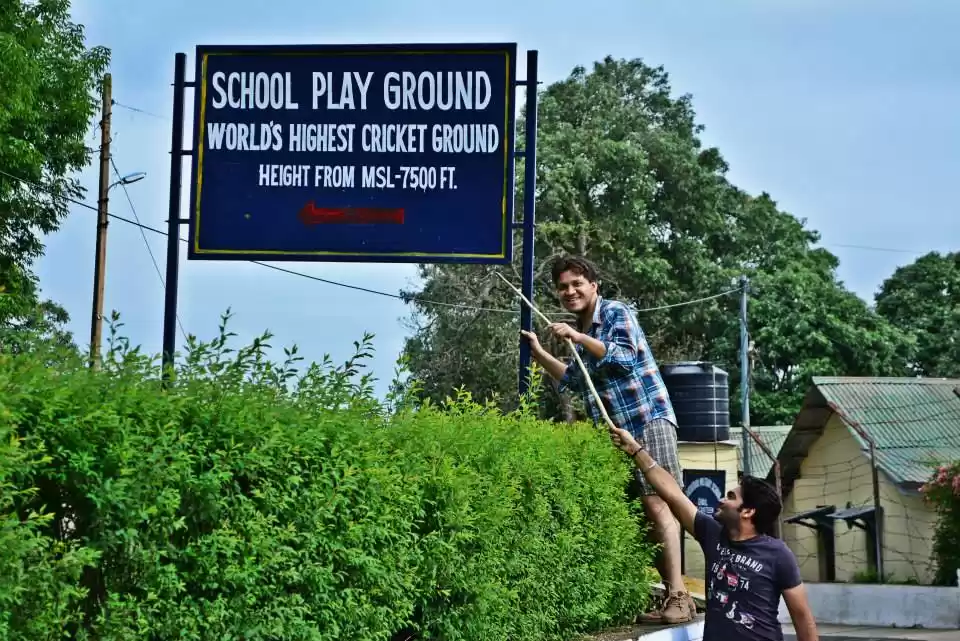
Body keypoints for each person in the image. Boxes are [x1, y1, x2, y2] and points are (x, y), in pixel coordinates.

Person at [520, 255, 695, 624]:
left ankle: (680, 596)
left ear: (593, 285)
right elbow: (575, 380)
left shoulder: (616, 313)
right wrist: (539, 355)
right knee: (640, 516)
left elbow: (625, 358)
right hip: (616, 433)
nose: (570, 291)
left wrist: (578, 336)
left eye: (576, 284)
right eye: (563, 287)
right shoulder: (581, 330)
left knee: (658, 504)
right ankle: (671, 597)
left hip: (647, 420)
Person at [607, 425, 820, 641]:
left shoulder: (777, 554)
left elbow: (802, 617)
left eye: (730, 497)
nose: (721, 499)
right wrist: (635, 449)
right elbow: (673, 494)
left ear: (747, 511)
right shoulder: (713, 534)